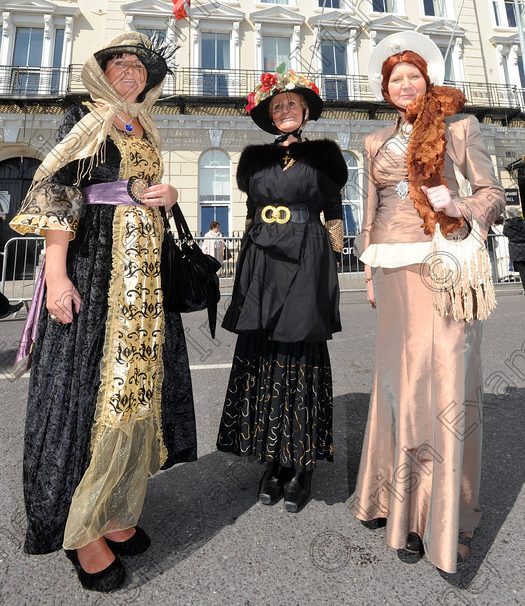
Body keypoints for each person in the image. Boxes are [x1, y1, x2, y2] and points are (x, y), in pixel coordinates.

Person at [10, 32, 197, 592]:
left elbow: (140, 189)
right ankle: (79, 529)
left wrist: (167, 196)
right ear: (101, 70)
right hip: (94, 267)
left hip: (141, 278)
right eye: (119, 63)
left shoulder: (146, 126)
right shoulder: (84, 117)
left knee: (132, 387)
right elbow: (59, 191)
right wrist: (58, 273)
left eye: (139, 67)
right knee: (84, 391)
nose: (129, 72)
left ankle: (113, 509)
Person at [350, 31, 504, 574]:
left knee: (444, 379)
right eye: (396, 79)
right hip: (392, 269)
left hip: (444, 262)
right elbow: (368, 213)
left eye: (413, 75)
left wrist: (458, 201)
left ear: (427, 79)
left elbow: (493, 192)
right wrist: (367, 269)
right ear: (385, 88)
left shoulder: (459, 126)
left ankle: (444, 515)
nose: (405, 85)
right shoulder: (372, 143)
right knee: (397, 380)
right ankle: (396, 502)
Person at [216, 68, 347, 513]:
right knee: (264, 352)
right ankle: (270, 459)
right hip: (262, 260)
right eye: (277, 106)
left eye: (292, 104)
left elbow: (333, 214)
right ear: (269, 118)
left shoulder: (324, 156)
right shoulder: (255, 159)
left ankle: (301, 464)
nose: (286, 110)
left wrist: (329, 271)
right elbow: (252, 215)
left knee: (299, 352)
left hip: (308, 257)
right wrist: (244, 267)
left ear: (306, 110)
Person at [503, 209, 525, 292]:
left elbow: (505, 233)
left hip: (515, 249)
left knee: (522, 272)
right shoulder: (523, 223)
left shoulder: (507, 225)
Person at [490, 215, 510, 282]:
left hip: (498, 246)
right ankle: (510, 274)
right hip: (505, 244)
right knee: (507, 260)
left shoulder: (494, 228)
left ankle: (503, 276)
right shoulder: (505, 227)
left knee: (500, 262)